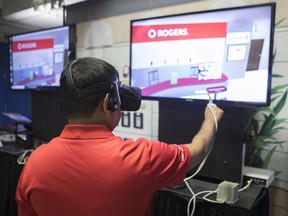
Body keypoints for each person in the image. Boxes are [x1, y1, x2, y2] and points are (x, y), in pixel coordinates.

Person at [15, 57, 223, 216]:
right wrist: (210, 118)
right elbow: (199, 148)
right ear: (109, 102)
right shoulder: (143, 156)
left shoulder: (34, 163)